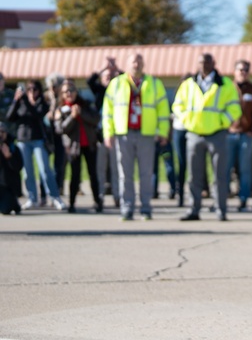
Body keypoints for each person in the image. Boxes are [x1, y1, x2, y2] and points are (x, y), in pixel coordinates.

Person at [172, 53, 242, 222]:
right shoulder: (188, 84)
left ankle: (221, 209)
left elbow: (234, 108)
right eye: (201, 62)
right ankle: (193, 209)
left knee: (219, 175)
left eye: (207, 62)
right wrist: (188, 122)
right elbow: (177, 105)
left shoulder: (225, 84)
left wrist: (221, 121)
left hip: (217, 134)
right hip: (195, 134)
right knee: (194, 176)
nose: (203, 65)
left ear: (213, 63)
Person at [103, 53, 170, 221]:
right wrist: (108, 133)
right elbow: (107, 111)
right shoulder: (116, 83)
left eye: (139, 62)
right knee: (125, 174)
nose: (137, 64)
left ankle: (146, 208)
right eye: (133, 61)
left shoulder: (154, 83)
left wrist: (163, 131)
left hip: (145, 134)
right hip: (123, 134)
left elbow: (163, 109)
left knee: (146, 173)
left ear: (143, 64)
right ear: (127, 64)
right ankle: (127, 208)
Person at [5, 79, 66, 211]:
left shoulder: (41, 103)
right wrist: (16, 101)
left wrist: (26, 101)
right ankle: (32, 198)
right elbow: (10, 117)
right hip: (22, 140)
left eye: (35, 89)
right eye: (29, 90)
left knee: (45, 169)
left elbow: (37, 115)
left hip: (38, 139)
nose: (32, 92)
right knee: (28, 172)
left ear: (39, 91)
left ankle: (55, 197)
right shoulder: (20, 103)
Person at [53, 81, 100, 213]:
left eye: (72, 90)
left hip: (89, 145)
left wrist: (81, 113)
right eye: (66, 91)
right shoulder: (60, 110)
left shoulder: (85, 105)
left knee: (93, 175)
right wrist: (73, 117)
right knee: (75, 175)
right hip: (73, 147)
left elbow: (95, 119)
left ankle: (97, 201)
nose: (69, 93)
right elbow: (60, 129)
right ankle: (72, 203)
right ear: (62, 94)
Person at [229, 59, 252, 212]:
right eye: (240, 69)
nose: (243, 72)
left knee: (245, 169)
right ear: (234, 71)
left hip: (246, 135)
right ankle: (221, 200)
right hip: (228, 135)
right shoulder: (226, 88)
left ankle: (243, 200)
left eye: (245, 70)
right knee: (224, 169)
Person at [89, 61, 120, 210]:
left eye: (111, 76)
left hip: (116, 135)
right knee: (100, 169)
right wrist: (103, 68)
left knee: (116, 168)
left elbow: (125, 77)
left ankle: (117, 196)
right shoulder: (99, 90)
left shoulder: (119, 90)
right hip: (100, 136)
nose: (108, 78)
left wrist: (115, 69)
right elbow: (90, 80)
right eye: (105, 76)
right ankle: (100, 197)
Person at [0, 120, 24, 215]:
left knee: (5, 210)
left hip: (8, 186)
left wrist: (9, 157)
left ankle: (14, 203)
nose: (0, 135)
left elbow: (18, 167)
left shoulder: (13, 148)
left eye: (2, 132)